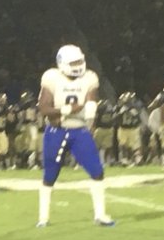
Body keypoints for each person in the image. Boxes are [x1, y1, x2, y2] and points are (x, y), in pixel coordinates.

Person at [36, 44, 114, 227]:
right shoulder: (52, 77)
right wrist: (67, 110)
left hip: (79, 131)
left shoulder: (89, 77)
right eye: (74, 62)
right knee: (50, 175)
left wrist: (89, 119)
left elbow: (91, 103)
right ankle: (43, 217)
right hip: (56, 131)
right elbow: (44, 108)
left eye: (79, 61)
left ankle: (100, 214)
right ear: (62, 63)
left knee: (97, 171)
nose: (78, 65)